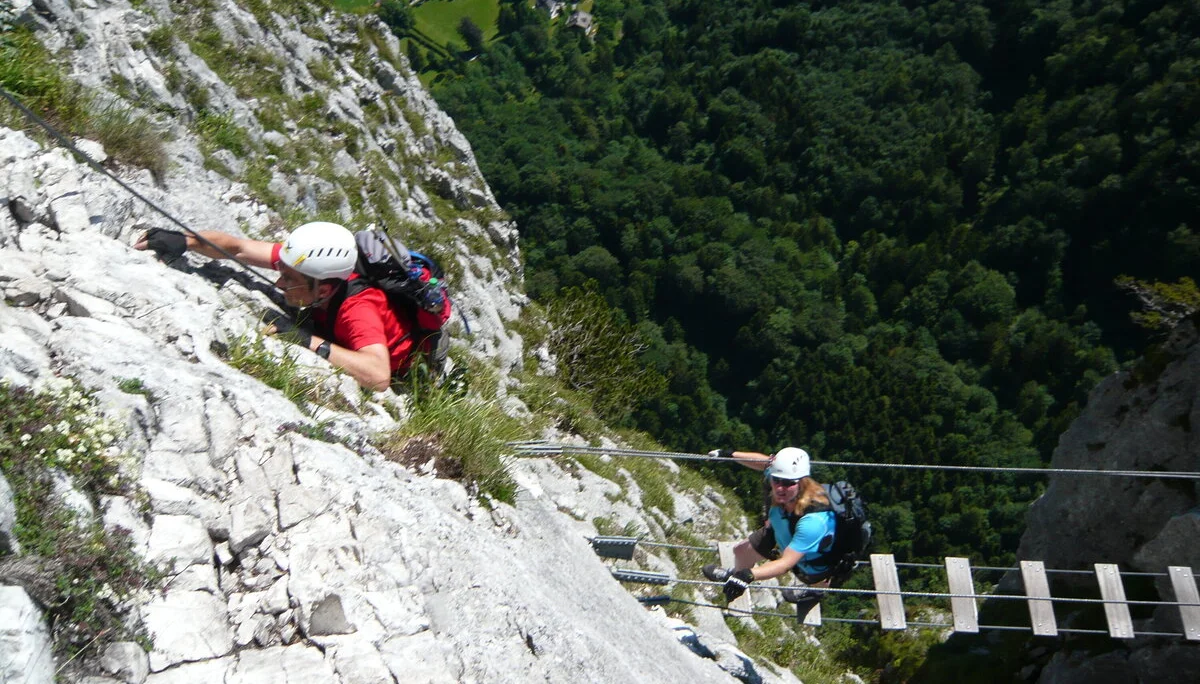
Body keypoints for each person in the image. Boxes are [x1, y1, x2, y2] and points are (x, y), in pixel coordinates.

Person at [136, 222, 446, 391]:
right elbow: (239, 248)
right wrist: (185, 241)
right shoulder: (307, 266)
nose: (279, 282)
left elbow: (378, 375)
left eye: (288, 279)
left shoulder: (358, 309)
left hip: (406, 370)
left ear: (323, 289)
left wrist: (307, 340)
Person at [702, 447, 836, 607]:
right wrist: (729, 454)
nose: (779, 488)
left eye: (788, 483)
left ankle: (816, 591)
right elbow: (765, 463)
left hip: (813, 554)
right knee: (741, 551)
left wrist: (748, 575)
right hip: (783, 527)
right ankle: (734, 577)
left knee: (813, 574)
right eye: (776, 480)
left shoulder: (814, 521)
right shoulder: (782, 479)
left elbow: (785, 563)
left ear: (802, 482)